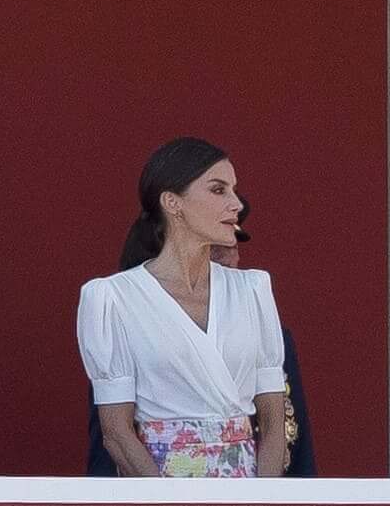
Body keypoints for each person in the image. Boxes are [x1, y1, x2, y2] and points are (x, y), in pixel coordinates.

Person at [81, 139, 290, 478]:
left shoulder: (253, 289)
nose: (236, 204)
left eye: (234, 190)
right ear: (172, 202)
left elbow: (273, 424)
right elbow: (117, 435)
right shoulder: (112, 298)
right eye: (218, 190)